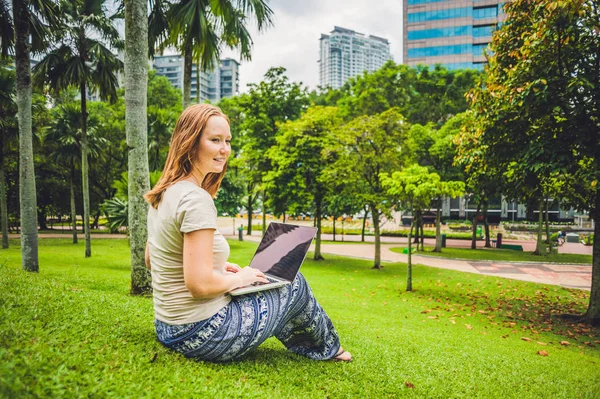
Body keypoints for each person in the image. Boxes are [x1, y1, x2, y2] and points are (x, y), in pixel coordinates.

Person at [144, 104, 351, 363]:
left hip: (167, 328)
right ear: (190, 142)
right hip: (202, 334)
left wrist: (217, 266)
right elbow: (198, 286)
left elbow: (154, 259)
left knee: (268, 279)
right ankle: (329, 349)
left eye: (227, 141)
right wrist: (240, 279)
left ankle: (311, 345)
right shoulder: (195, 199)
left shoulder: (163, 194)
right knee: (293, 282)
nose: (225, 150)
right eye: (215, 140)